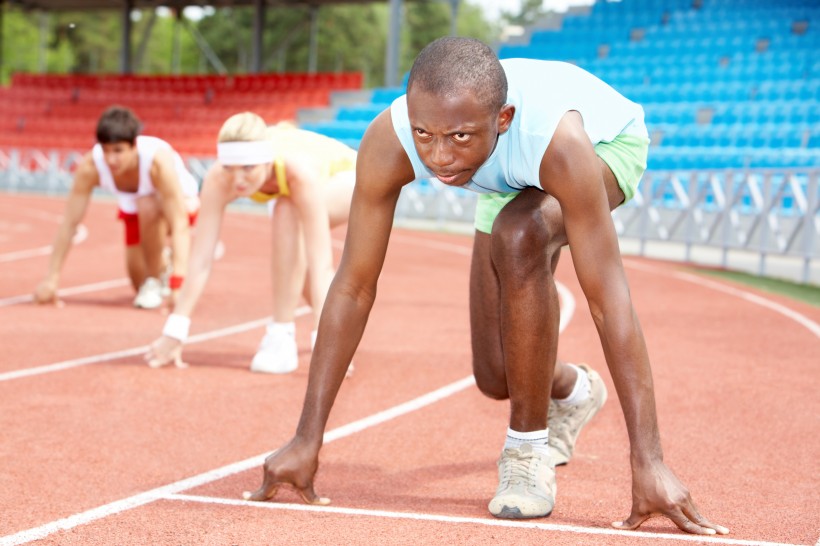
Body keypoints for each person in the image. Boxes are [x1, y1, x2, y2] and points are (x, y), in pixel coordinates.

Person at [242, 37, 729, 535]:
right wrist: (306, 437)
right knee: (497, 376)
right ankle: (575, 389)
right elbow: (352, 287)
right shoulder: (394, 138)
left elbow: (608, 299)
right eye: (424, 133)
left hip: (606, 147)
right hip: (507, 172)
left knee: (520, 235)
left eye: (458, 137)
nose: (438, 158)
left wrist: (649, 460)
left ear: (503, 118)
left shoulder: (559, 141)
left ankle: (526, 453)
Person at [145, 112, 357, 374]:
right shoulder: (219, 179)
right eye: (230, 167)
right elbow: (200, 259)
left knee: (286, 210)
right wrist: (175, 330)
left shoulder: (300, 174)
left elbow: (321, 262)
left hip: (355, 176)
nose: (238, 180)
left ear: (267, 160)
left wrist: (326, 344)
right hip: (298, 191)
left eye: (248, 168)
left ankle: (282, 335)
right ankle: (343, 326)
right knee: (297, 275)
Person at [33, 105, 199, 309]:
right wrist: (51, 279)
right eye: (106, 150)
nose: (111, 159)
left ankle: (158, 277)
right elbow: (69, 223)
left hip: (181, 204)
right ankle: (160, 265)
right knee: (139, 283)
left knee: (146, 204)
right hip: (135, 209)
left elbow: (180, 223)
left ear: (134, 146)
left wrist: (177, 285)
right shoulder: (91, 167)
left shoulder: (157, 163)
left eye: (118, 151)